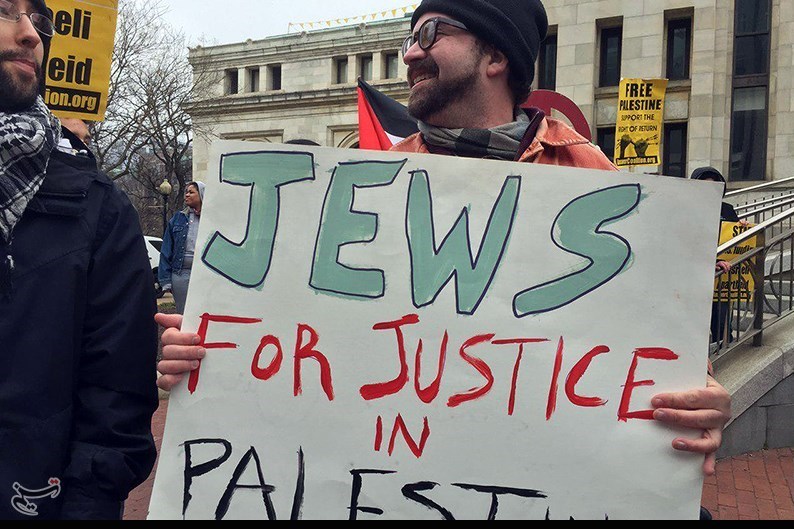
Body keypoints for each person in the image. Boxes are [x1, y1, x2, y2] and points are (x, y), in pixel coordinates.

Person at [155, 0, 730, 494]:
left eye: (430, 34)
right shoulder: (367, 183)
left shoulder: (595, 181)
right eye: (410, 37)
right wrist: (210, 351)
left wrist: (703, 398)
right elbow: (291, 336)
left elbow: (660, 351)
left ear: (495, 56)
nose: (410, 53)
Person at [0, 0, 159, 520]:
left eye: (38, 21)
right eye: (4, 11)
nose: (32, 35)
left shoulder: (99, 207)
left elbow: (115, 399)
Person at [691, 166, 747, 346]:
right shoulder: (687, 210)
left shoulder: (727, 209)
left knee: (721, 322)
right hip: (695, 274)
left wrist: (742, 227)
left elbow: (734, 240)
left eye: (715, 187)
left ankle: (722, 349)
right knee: (694, 323)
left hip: (721, 275)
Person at [158, 180, 204, 313]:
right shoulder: (178, 218)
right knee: (183, 313)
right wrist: (166, 280)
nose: (187, 195)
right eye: (186, 192)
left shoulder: (211, 219)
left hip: (204, 272)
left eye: (191, 192)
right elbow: (166, 250)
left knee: (202, 311)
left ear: (201, 194)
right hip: (180, 273)